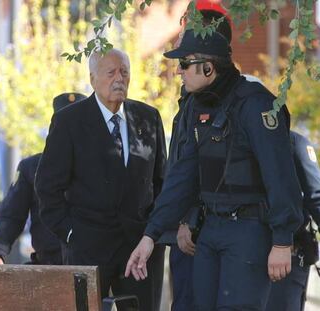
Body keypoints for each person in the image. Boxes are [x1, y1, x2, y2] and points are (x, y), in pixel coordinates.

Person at [125, 29, 303, 311]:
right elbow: (182, 177)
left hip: (249, 231)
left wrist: (282, 241)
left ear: (208, 67)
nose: (179, 72)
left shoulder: (255, 104)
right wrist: (150, 235)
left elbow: (279, 175)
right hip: (210, 230)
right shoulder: (200, 104)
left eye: (184, 64)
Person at [35, 48, 167, 311]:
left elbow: (161, 181)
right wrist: (71, 233)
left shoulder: (148, 117)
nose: (119, 78)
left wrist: (153, 234)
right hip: (88, 247)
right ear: (93, 79)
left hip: (139, 250)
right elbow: (48, 187)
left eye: (124, 72)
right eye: (111, 72)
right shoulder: (68, 121)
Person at [162, 6, 233, 311]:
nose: (180, 51)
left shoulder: (231, 102)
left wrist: (189, 218)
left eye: (188, 38)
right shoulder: (191, 101)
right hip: (187, 232)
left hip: (201, 233)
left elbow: (212, 171)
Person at [0, 93, 86, 265]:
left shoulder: (101, 165)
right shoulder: (32, 167)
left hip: (91, 263)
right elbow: (11, 216)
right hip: (47, 264)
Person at [265, 131, 320, 311]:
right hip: (283, 255)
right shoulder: (293, 142)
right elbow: (316, 197)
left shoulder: (294, 143)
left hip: (283, 254)